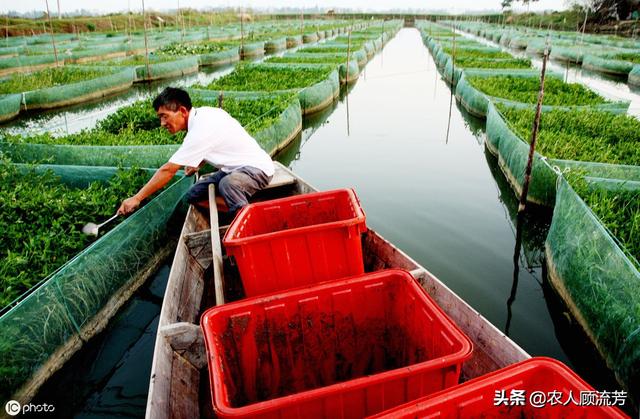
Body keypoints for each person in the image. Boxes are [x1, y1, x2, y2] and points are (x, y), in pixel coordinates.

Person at [117, 87, 274, 216]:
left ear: (183, 111)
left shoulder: (200, 129)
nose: (162, 123)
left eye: (165, 116)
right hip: (232, 169)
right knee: (194, 195)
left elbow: (168, 170)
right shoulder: (204, 114)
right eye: (160, 118)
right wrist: (198, 162)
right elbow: (217, 141)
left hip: (256, 168)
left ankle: (249, 219)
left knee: (227, 185)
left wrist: (137, 198)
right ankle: (245, 207)